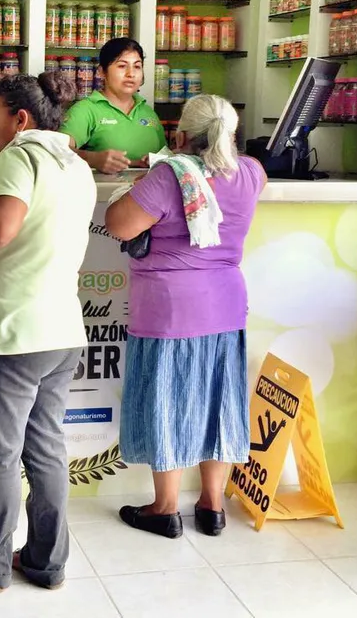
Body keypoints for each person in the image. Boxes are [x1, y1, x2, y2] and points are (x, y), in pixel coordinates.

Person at [0, 72, 96, 593]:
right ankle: (48, 562)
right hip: (61, 331)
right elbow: (30, 221)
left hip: (12, 334)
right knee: (46, 449)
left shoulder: (19, 157)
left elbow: (0, 229)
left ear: (20, 118)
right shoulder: (74, 164)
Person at [105, 94, 265, 539]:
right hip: (226, 305)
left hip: (170, 310)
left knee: (169, 402)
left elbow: (119, 224)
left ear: (180, 135)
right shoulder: (251, 172)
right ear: (231, 134)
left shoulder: (168, 176)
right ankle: (212, 505)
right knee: (218, 401)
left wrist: (140, 182)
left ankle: (165, 507)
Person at [60, 37, 166, 174]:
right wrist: (92, 159)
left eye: (137, 66)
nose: (131, 74)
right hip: (100, 187)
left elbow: (166, 155)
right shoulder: (86, 110)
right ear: (102, 72)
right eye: (122, 66)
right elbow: (57, 149)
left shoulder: (148, 112)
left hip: (147, 187)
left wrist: (143, 162)